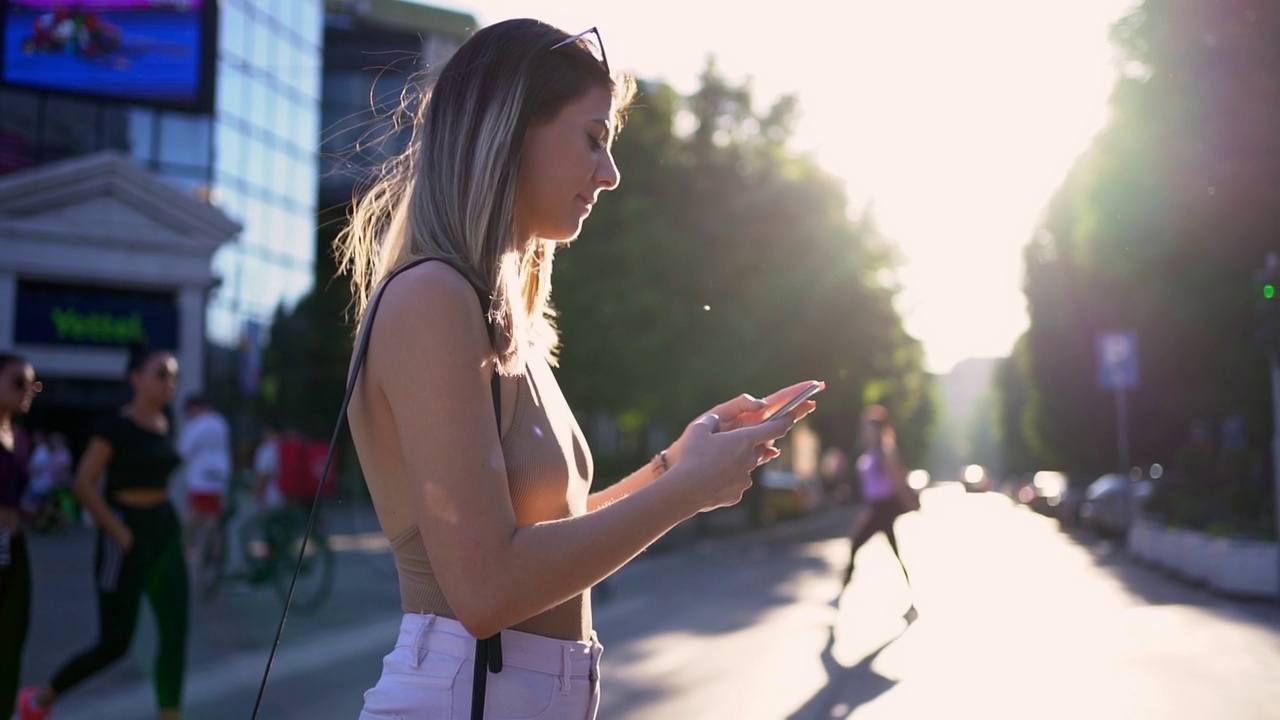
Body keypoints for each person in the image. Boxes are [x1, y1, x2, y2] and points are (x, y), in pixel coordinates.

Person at [334, 19, 819, 719]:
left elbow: (540, 535)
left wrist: (673, 465)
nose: (611, 173)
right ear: (509, 129)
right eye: (593, 138)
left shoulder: (501, 318)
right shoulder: (432, 298)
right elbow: (487, 590)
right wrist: (682, 493)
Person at [19, 343, 188, 720]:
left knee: (175, 632)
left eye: (174, 376)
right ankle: (40, 699)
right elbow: (83, 484)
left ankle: (170, 714)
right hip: (123, 534)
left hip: (164, 530)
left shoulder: (168, 420)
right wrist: (119, 532)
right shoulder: (114, 425)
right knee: (115, 643)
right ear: (135, 378)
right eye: (161, 374)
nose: (170, 383)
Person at [838, 405, 917, 621]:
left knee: (857, 545)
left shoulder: (885, 451)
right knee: (888, 552)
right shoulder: (870, 452)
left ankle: (842, 591)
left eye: (868, 428)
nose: (865, 432)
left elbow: (898, 480)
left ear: (878, 430)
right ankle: (912, 601)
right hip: (876, 508)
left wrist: (911, 502)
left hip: (884, 508)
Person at [1, 353, 39, 718]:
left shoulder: (21, 438)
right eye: (18, 382)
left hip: (13, 543)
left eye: (32, 384)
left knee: (12, 635)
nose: (28, 390)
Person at [177, 393, 232, 567]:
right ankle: (216, 554)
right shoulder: (220, 422)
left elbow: (183, 451)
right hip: (219, 476)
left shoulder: (197, 425)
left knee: (194, 516)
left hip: (200, 478)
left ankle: (186, 548)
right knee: (212, 517)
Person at [22, 430, 73, 533]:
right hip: (50, 484)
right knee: (48, 507)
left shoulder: (50, 452)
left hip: (50, 485)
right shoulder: (50, 452)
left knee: (43, 506)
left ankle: (43, 524)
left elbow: (38, 469)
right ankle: (49, 524)